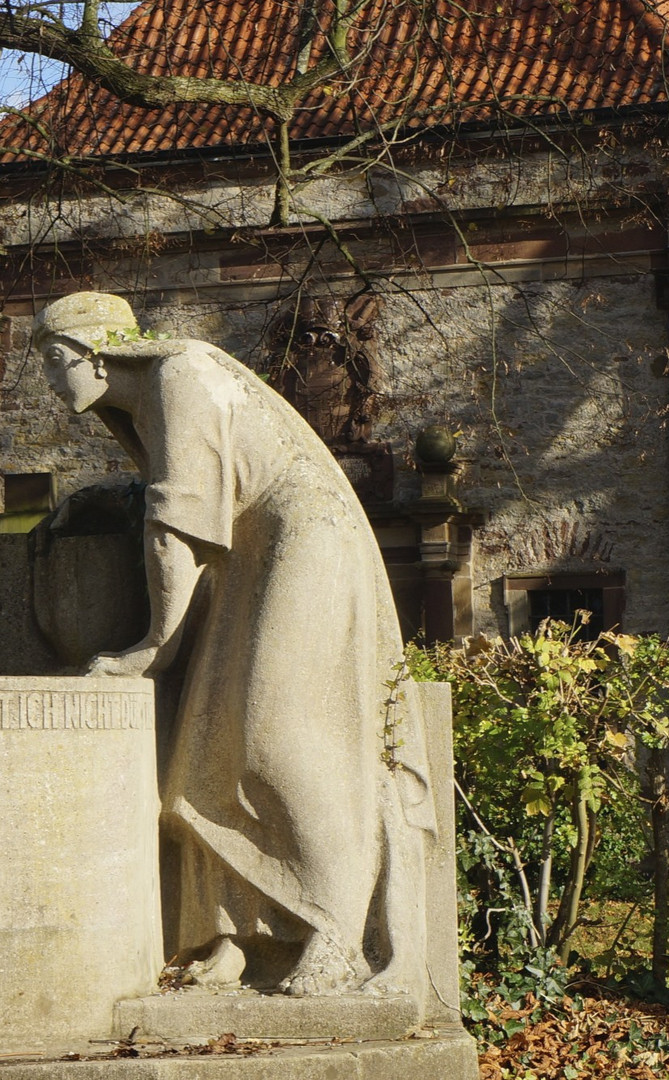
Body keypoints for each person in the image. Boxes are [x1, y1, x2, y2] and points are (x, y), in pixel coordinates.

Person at [30, 293, 434, 997]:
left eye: (54, 360)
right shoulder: (150, 400)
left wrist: (154, 644)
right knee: (206, 750)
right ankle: (248, 937)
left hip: (305, 540)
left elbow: (177, 529)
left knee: (275, 734)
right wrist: (110, 497)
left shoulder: (178, 375)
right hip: (253, 551)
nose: (52, 380)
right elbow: (182, 491)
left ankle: (338, 932)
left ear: (96, 352)